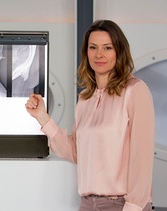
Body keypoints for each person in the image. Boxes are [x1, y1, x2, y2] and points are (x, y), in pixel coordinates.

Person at [25, 20, 155, 211]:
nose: (99, 54)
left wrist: (133, 206)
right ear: (86, 53)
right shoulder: (85, 100)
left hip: (122, 204)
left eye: (107, 48)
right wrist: (43, 117)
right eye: (93, 47)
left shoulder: (135, 91)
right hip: (87, 204)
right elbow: (76, 152)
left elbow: (142, 159)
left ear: (119, 52)